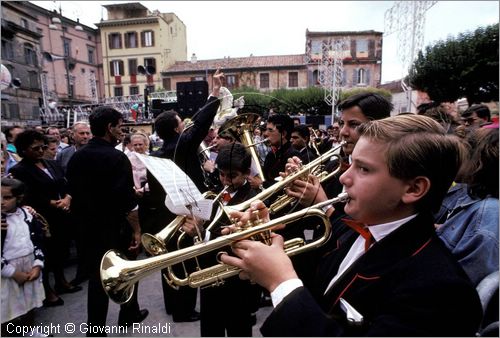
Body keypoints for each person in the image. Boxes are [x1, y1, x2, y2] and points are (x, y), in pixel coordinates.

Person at [221, 114, 482, 336]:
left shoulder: (443, 291)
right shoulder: (354, 227)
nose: (344, 177)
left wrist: (281, 283)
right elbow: (318, 288)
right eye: (351, 164)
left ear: (414, 188)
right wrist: (265, 242)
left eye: (364, 169)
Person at [144, 69, 222, 322]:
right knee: (188, 259)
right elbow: (202, 123)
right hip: (188, 213)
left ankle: (172, 305)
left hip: (166, 214)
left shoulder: (155, 154)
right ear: (177, 129)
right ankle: (184, 310)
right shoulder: (183, 144)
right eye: (181, 122)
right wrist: (215, 92)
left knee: (171, 261)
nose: (184, 123)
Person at [66, 107, 147, 335]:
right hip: (114, 227)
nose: (123, 131)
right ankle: (128, 317)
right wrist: (137, 230)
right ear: (109, 128)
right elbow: (129, 203)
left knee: (96, 278)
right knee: (128, 271)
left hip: (88, 229)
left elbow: (74, 193)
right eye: (120, 126)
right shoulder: (117, 157)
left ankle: (96, 329)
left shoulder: (77, 157)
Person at [184, 143, 261, 336]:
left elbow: (244, 240)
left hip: (237, 280)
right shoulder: (214, 193)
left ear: (246, 174)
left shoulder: (255, 199)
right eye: (221, 174)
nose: (225, 180)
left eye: (232, 175)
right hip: (211, 274)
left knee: (238, 329)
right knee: (210, 328)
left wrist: (203, 233)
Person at [10, 130, 80, 308]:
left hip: (62, 213)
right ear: (24, 150)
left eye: (43, 147)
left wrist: (67, 198)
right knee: (47, 254)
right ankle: (47, 291)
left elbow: (66, 183)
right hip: (42, 217)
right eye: (36, 148)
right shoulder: (19, 170)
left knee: (61, 250)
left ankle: (61, 281)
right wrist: (50, 202)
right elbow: (26, 195)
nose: (41, 151)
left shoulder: (52, 163)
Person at [435, 127, 499, 286]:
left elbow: (458, 283)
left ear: (478, 161)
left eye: (463, 154)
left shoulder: (488, 214)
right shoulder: (472, 197)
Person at [1, 178, 45, 337]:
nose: (1, 202)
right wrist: (13, 273)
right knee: (7, 310)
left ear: (19, 198)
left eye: (7, 198)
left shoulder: (27, 214)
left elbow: (37, 240)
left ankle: (28, 331)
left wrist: (38, 265)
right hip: (6, 271)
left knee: (30, 303)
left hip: (29, 264)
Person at [262, 114, 301, 188]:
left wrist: (261, 184)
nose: (265, 134)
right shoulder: (271, 154)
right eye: (266, 130)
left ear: (283, 134)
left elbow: (287, 186)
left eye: (270, 130)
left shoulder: (294, 155)